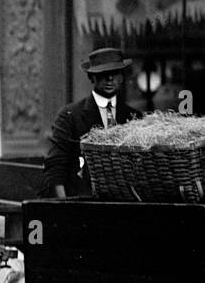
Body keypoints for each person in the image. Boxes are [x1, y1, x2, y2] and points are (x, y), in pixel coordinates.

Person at [42, 47, 143, 198]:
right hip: (84, 202)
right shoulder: (70, 116)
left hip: (125, 203)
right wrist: (64, 207)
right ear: (92, 77)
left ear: (121, 77)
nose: (110, 79)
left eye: (114, 73)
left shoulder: (133, 117)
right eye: (103, 74)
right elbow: (56, 167)